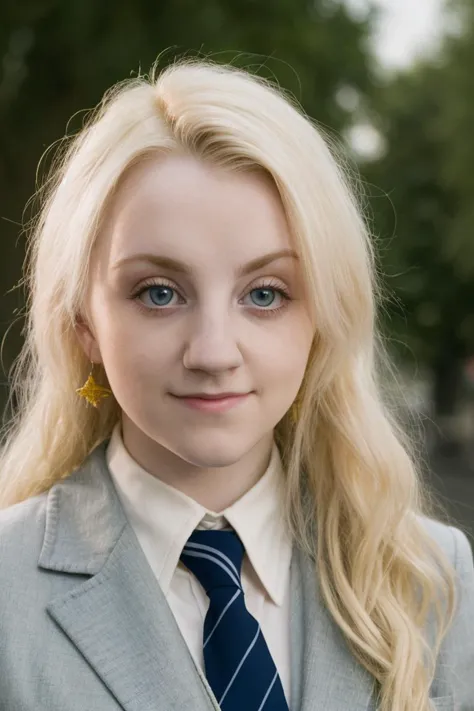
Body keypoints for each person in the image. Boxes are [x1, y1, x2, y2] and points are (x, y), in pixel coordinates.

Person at [0, 59, 472, 711]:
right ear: (83, 321)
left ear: (323, 316)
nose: (215, 352)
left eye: (265, 293)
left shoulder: (434, 579)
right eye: (159, 292)